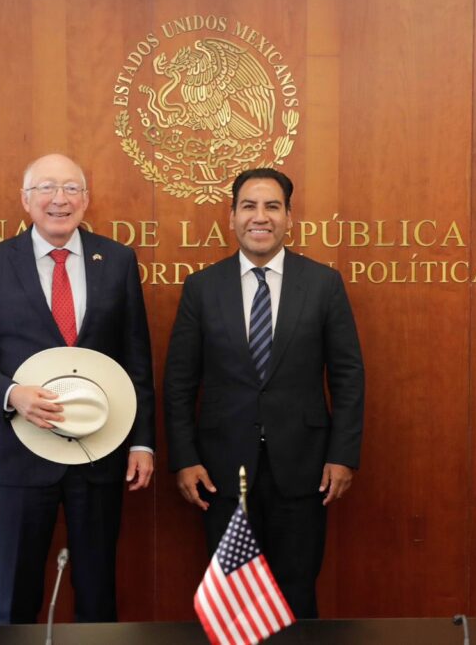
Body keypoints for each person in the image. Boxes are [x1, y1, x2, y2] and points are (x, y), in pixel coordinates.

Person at [0, 153, 155, 624]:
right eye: (45, 188)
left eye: (70, 189)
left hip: (100, 455)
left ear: (86, 199)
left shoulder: (118, 261)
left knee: (98, 592)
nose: (58, 199)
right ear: (25, 200)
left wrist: (143, 442)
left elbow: (136, 361)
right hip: (20, 457)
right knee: (16, 596)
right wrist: (11, 395)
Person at [164, 167, 364, 619]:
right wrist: (184, 458)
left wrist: (343, 455)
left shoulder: (322, 284)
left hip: (305, 470)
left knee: (297, 595)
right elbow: (179, 382)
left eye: (272, 206)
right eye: (249, 206)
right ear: (232, 216)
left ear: (289, 217)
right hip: (221, 473)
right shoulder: (201, 288)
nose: (261, 217)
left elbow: (349, 376)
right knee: (233, 604)